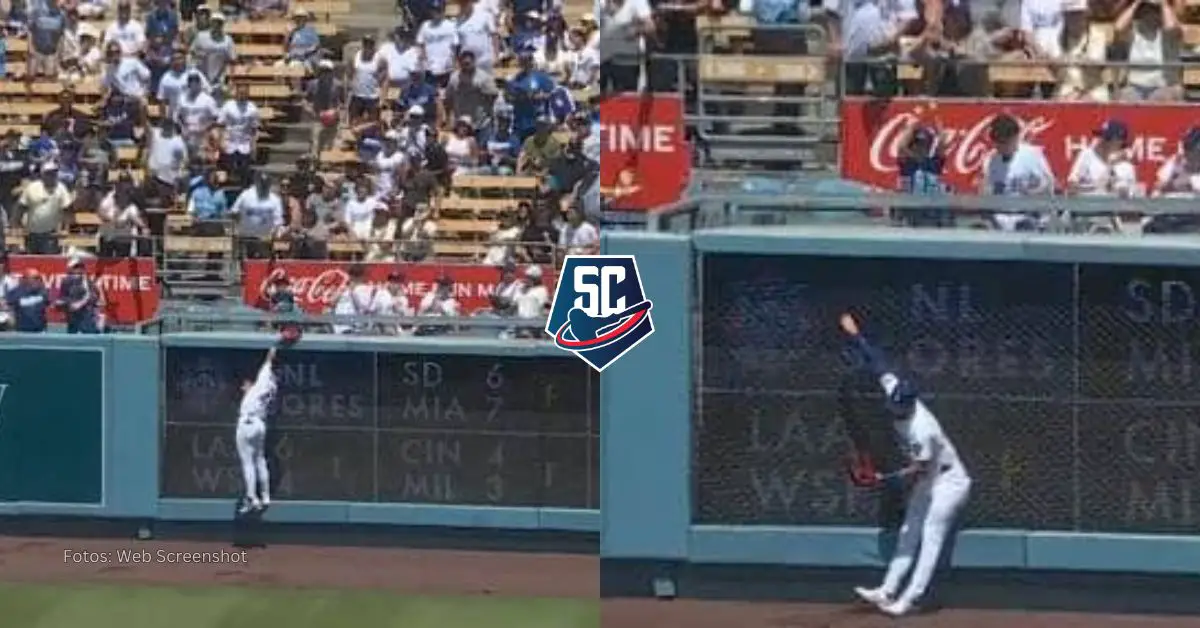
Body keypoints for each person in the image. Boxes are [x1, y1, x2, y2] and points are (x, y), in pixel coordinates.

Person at [839, 313, 971, 618]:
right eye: (893, 405)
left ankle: (911, 598)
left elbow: (919, 469)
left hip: (950, 482)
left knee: (931, 534)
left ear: (910, 404)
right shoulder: (895, 390)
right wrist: (855, 334)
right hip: (929, 478)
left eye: (899, 408)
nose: (894, 410)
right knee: (908, 532)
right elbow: (877, 362)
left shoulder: (923, 429)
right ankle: (887, 591)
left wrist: (884, 478)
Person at [235, 345, 276, 515]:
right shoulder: (272, 387)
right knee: (260, 460)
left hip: (248, 422)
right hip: (260, 424)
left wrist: (275, 344)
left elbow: (269, 360)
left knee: (248, 462)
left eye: (245, 384)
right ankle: (265, 496)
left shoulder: (262, 382)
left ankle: (252, 497)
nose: (242, 387)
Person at [56, 254, 102, 334]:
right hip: (72, 319)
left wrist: (81, 303)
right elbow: (62, 298)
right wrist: (67, 304)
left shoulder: (87, 281)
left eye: (79, 267)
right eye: (75, 267)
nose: (77, 270)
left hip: (87, 319)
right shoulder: (66, 281)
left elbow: (94, 297)